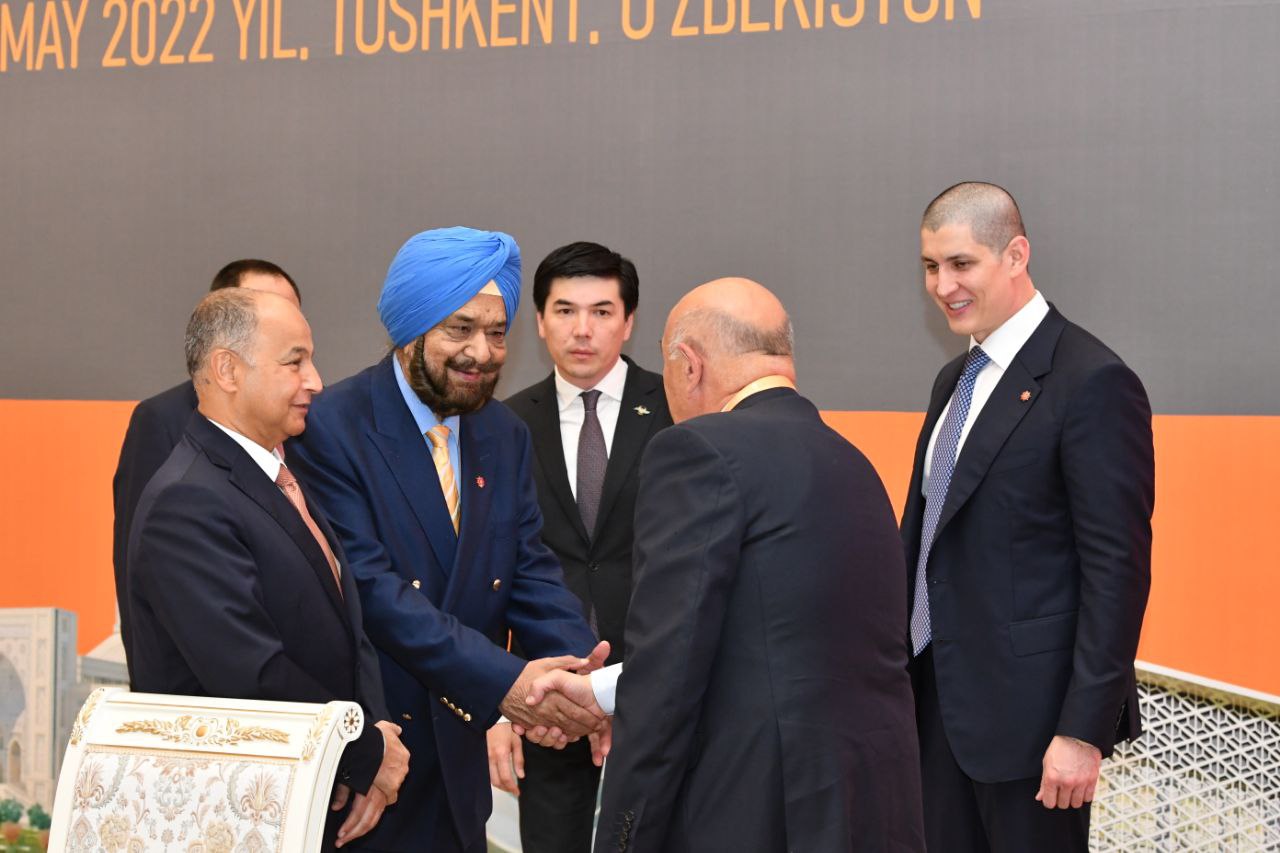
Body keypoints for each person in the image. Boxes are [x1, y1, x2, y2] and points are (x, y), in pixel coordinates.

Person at [527, 278, 926, 852]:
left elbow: (671, 666)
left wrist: (622, 836)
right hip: (868, 806)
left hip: (756, 809)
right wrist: (603, 691)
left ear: (688, 365)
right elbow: (774, 645)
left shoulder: (697, 449)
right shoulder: (853, 462)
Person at [286, 227, 607, 853]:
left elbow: (529, 570)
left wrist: (578, 681)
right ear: (411, 328)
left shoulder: (504, 434)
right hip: (376, 767)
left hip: (459, 769)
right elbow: (373, 591)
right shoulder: (331, 427)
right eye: (460, 329)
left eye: (497, 332)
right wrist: (510, 684)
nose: (482, 353)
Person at [904, 182, 1154, 851]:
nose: (943, 285)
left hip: (1035, 733)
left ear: (1015, 255)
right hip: (937, 710)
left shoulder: (1092, 380)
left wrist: (1082, 731)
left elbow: (1117, 570)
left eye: (962, 263)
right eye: (930, 266)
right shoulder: (953, 380)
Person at [126, 288, 410, 850]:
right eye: (294, 362)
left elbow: (347, 628)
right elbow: (248, 673)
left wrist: (370, 731)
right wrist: (364, 753)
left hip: (304, 800)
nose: (316, 382)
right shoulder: (186, 501)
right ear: (227, 370)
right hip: (234, 818)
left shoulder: (274, 475)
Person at [494, 242, 670, 852]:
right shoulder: (504, 424)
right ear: (540, 322)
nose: (582, 330)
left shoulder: (677, 410)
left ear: (629, 320)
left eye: (601, 311)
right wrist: (498, 702)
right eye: (565, 311)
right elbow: (492, 569)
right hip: (548, 705)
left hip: (656, 693)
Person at [112, 259, 302, 685]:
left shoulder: (306, 421)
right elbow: (138, 567)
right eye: (258, 306)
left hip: (301, 681)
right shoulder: (162, 420)